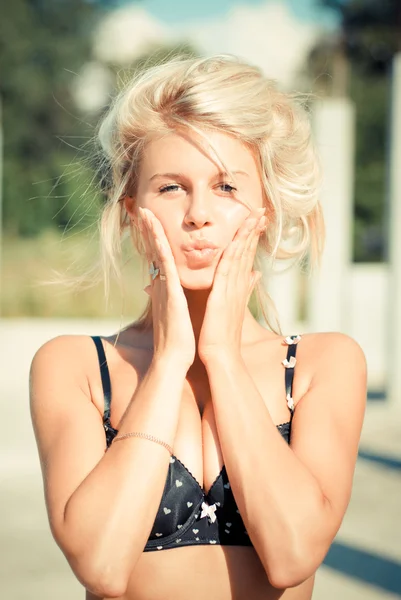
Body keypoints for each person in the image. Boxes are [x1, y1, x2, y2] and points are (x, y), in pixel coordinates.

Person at [29, 55, 367, 600]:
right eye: (171, 188)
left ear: (267, 208)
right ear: (132, 210)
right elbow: (101, 565)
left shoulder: (322, 365)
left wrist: (223, 359)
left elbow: (292, 555)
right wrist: (166, 365)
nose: (198, 214)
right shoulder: (75, 367)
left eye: (227, 187)